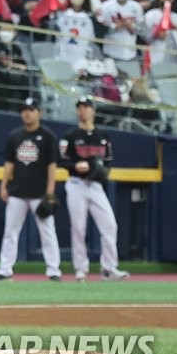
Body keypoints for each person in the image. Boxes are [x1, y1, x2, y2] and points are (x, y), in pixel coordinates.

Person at [59, 97, 130, 282]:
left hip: (96, 185)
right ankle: (81, 270)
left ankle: (108, 269)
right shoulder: (70, 136)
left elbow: (108, 162)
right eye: (80, 107)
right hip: (76, 184)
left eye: (86, 107)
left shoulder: (103, 136)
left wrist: (103, 172)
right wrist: (75, 166)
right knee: (79, 228)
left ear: (93, 110)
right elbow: (61, 159)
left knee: (110, 225)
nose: (83, 111)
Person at [0, 97, 62, 282]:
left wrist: (50, 191)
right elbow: (9, 163)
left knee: (47, 232)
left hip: (39, 193)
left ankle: (53, 270)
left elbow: (52, 166)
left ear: (39, 112)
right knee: (10, 232)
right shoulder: (15, 135)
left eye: (31, 109)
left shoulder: (48, 136)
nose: (27, 113)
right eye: (24, 110)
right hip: (17, 192)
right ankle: (5, 270)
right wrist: (3, 185)